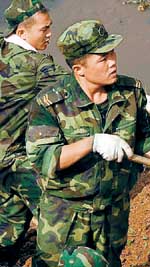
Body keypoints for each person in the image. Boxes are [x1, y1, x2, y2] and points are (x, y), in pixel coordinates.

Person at [26, 20, 150, 267]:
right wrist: (92, 143)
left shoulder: (130, 92)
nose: (112, 61)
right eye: (102, 58)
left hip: (113, 213)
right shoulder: (51, 104)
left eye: (112, 52)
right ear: (79, 69)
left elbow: (147, 140)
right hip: (66, 217)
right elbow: (44, 159)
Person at [0, 0, 66, 263]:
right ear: (22, 32)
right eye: (44, 30)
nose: (49, 34)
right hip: (15, 160)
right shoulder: (37, 65)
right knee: (57, 218)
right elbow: (79, 84)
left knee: (9, 220)